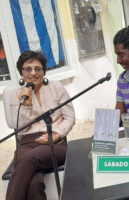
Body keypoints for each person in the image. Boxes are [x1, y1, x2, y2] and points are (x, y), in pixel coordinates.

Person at [5, 50, 75, 200]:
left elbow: (69, 117)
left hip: (56, 142)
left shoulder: (56, 88)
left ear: (44, 71)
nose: (33, 73)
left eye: (38, 68)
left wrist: (58, 134)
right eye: (28, 69)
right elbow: (20, 127)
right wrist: (25, 105)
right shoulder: (15, 95)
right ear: (21, 72)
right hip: (27, 144)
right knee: (33, 184)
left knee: (28, 159)